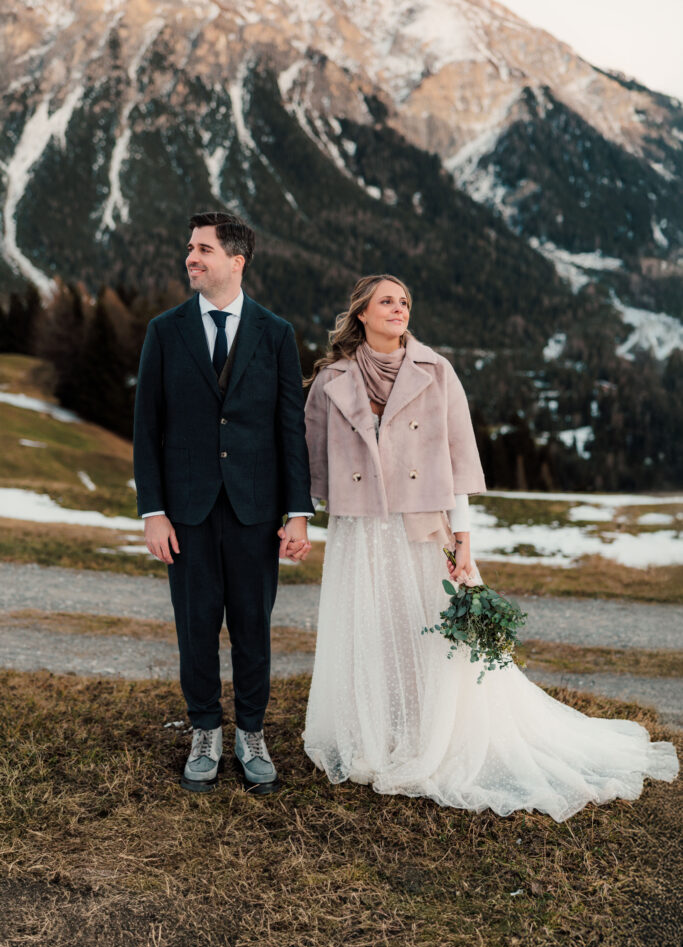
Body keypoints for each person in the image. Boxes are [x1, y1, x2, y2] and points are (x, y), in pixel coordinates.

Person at [303, 275, 678, 821]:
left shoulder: (436, 371)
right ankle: (372, 732)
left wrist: (463, 540)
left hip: (421, 523)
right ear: (360, 312)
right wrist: (296, 516)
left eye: (405, 301)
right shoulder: (331, 380)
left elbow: (457, 460)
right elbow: (309, 458)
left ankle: (424, 735)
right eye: (387, 301)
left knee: (426, 631)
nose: (399, 309)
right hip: (360, 529)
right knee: (370, 627)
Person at [134, 211, 313, 793]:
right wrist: (152, 510)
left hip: (255, 510)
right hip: (184, 511)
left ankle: (251, 733)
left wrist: (298, 513)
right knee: (195, 626)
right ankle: (205, 730)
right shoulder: (165, 330)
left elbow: (291, 428)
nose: (191, 257)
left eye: (203, 249)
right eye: (190, 248)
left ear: (236, 261)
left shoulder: (276, 333)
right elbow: (146, 428)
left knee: (252, 628)